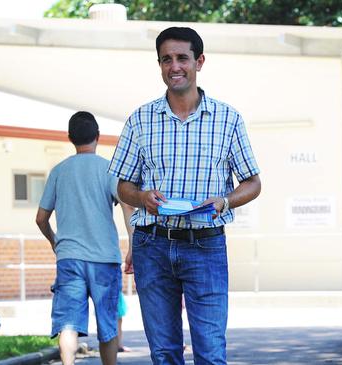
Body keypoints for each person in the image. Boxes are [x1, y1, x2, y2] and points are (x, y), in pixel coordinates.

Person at [108, 27, 261, 364]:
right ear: (160, 64)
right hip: (153, 245)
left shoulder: (228, 119)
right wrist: (142, 195)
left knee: (209, 351)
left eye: (182, 58)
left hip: (206, 245)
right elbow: (121, 186)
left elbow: (252, 182)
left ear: (199, 62)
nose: (174, 66)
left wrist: (225, 201)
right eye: (166, 59)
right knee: (164, 352)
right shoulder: (140, 119)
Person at [36, 111, 134, 365]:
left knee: (68, 323)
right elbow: (127, 206)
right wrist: (133, 246)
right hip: (105, 258)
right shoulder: (109, 169)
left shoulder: (59, 171)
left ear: (70, 138)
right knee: (108, 323)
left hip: (69, 258)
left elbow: (41, 218)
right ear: (98, 136)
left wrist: (55, 241)